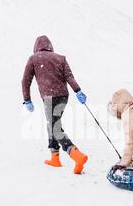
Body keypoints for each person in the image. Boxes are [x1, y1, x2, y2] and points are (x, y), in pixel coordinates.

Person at [22, 35, 88, 174]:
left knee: (55, 127)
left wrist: (27, 99)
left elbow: (25, 81)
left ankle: (76, 155)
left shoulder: (34, 59)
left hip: (50, 98)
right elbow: (69, 77)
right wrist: (78, 91)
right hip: (63, 96)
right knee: (52, 125)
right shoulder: (60, 58)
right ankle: (55, 157)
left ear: (36, 47)